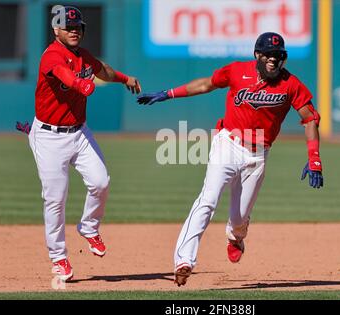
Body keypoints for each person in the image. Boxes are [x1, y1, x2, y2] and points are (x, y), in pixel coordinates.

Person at [137, 32, 323, 287]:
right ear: (257, 54)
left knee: (239, 219)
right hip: (228, 143)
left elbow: (310, 117)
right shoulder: (237, 71)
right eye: (267, 54)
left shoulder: (291, 84)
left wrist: (314, 158)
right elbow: (205, 84)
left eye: (277, 55)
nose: (272, 59)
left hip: (258, 153)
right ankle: (184, 260)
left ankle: (235, 237)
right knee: (208, 199)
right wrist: (169, 93)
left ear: (284, 58)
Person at [27, 5, 141, 281]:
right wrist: (80, 85)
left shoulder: (83, 56)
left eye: (78, 27)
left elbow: (103, 71)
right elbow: (65, 76)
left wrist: (125, 79)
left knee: (101, 181)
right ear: (56, 30)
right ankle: (59, 258)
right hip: (49, 137)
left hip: (79, 132)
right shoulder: (52, 55)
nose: (74, 31)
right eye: (68, 27)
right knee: (55, 199)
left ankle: (89, 227)